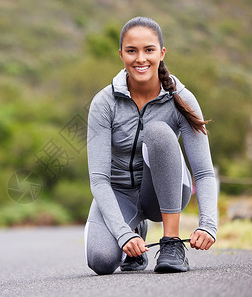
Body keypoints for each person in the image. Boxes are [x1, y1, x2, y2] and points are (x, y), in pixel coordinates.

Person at [84, 17, 218, 275]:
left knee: (156, 131)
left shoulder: (182, 98)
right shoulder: (104, 102)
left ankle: (171, 242)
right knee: (100, 261)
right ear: (121, 54)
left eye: (149, 50)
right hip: (120, 193)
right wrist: (123, 234)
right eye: (132, 51)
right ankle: (134, 230)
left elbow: (203, 172)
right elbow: (99, 180)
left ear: (161, 53)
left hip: (165, 193)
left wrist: (208, 225)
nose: (140, 59)